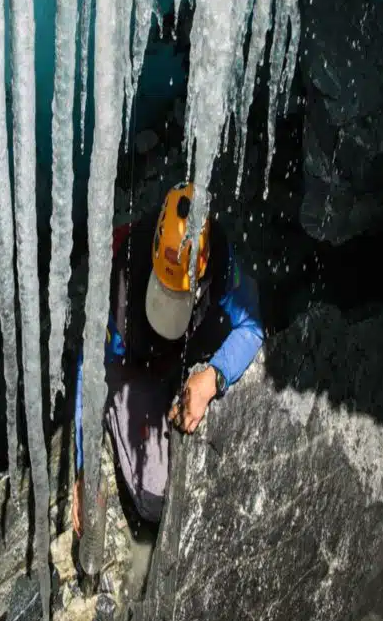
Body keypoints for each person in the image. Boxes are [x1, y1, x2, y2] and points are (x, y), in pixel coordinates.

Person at [72, 182, 263, 533]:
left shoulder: (218, 259)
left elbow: (251, 326)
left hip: (192, 350)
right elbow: (90, 368)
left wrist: (214, 376)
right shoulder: (120, 289)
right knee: (155, 498)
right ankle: (133, 409)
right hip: (138, 365)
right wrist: (85, 467)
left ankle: (183, 382)